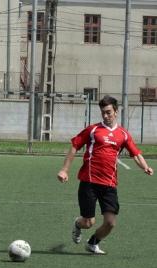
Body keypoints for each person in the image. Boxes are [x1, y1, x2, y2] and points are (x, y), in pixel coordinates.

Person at [57, 95, 153, 255]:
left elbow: (135, 153)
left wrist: (145, 167)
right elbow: (75, 145)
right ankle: (78, 224)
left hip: (109, 184)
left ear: (116, 112)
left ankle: (93, 243)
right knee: (88, 222)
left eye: (108, 112)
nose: (106, 115)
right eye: (103, 113)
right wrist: (64, 170)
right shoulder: (93, 130)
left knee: (110, 222)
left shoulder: (123, 134)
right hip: (89, 182)